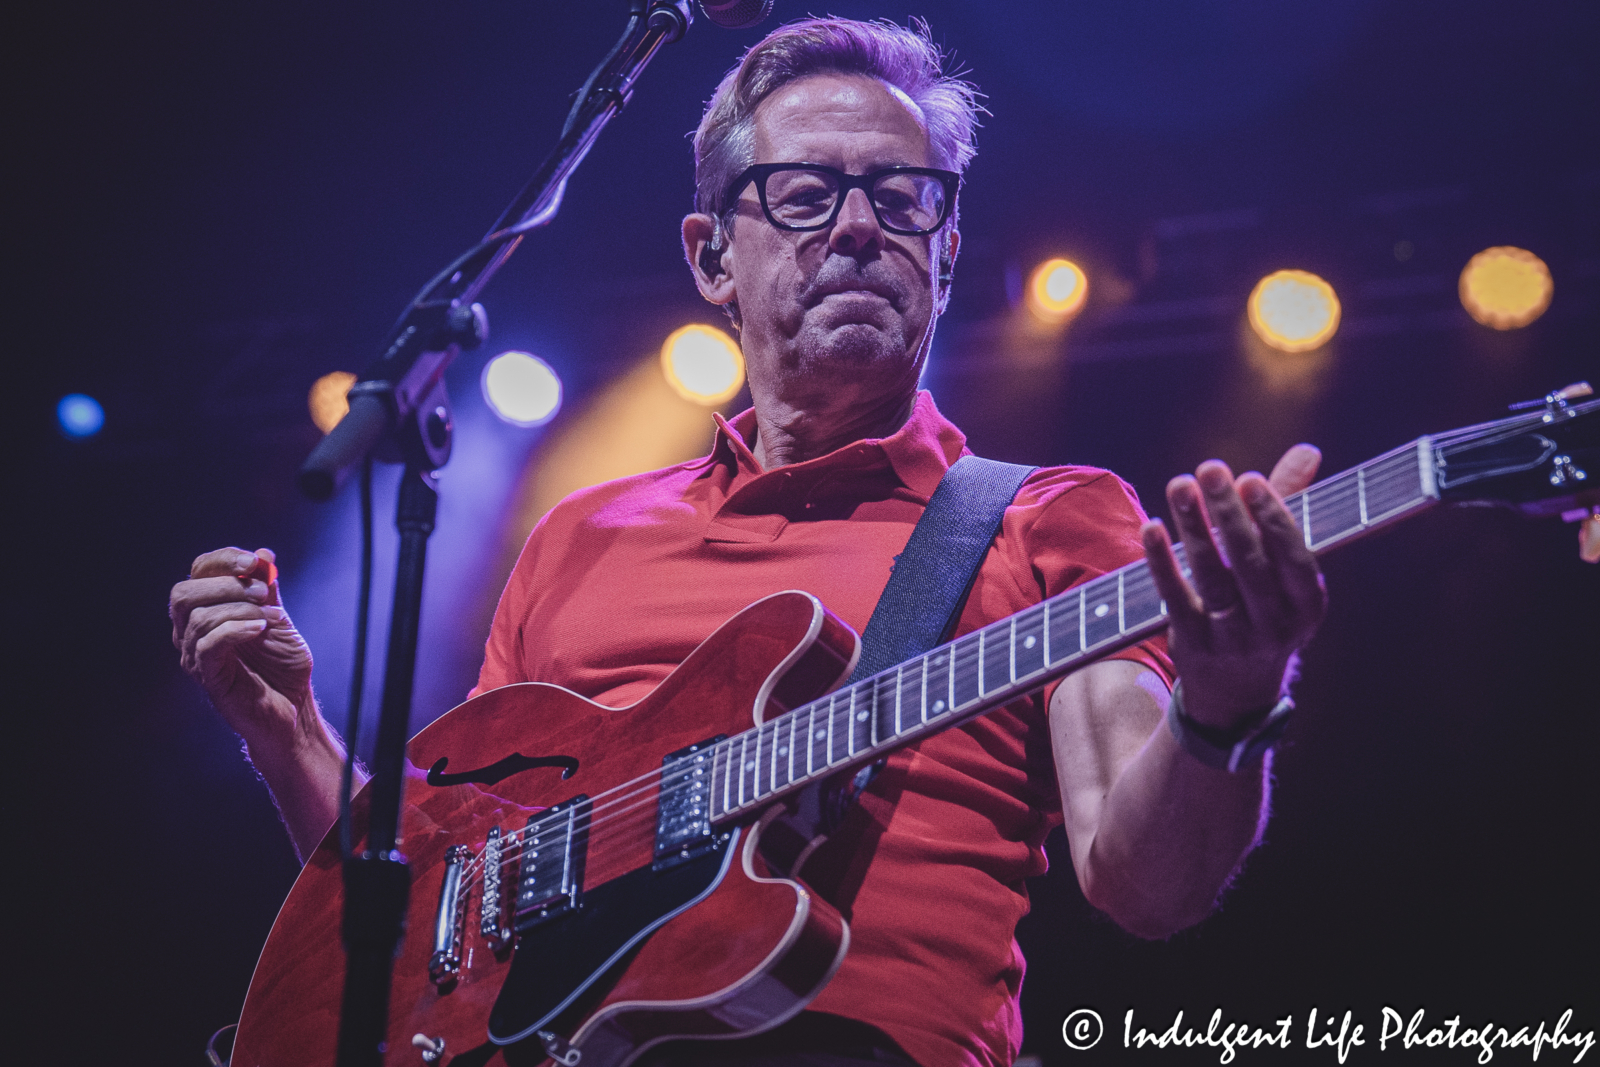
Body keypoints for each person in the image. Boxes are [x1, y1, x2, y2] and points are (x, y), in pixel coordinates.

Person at [169, 19, 1327, 1067]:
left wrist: (1227, 695)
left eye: (902, 194)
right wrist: (288, 735)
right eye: (806, 192)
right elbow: (441, 910)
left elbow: (1146, 884)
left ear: (948, 245)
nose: (864, 224)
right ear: (712, 254)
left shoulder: (1049, 516)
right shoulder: (581, 533)